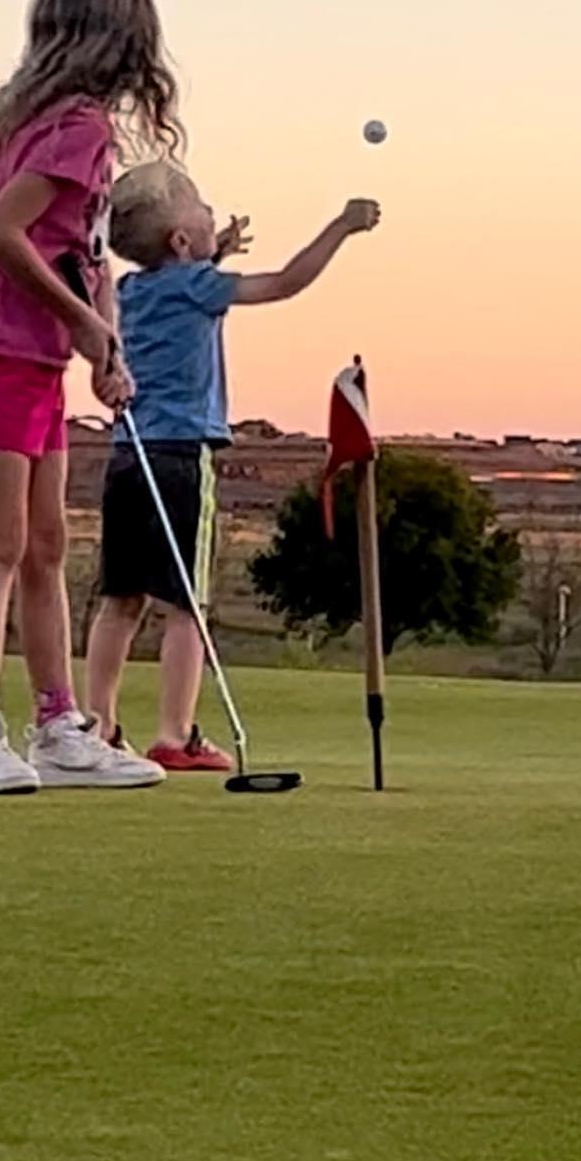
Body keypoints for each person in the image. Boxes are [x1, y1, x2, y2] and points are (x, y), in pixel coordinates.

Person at [0, 0, 183, 794]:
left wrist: (101, 339)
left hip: (32, 355)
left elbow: (80, 255)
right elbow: (1, 236)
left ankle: (58, 726)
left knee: (46, 544)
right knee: (0, 543)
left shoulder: (61, 123)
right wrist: (83, 322)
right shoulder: (75, 127)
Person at [85, 161, 380, 769]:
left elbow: (181, 282)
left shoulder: (133, 291)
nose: (212, 212)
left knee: (121, 599)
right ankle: (175, 732)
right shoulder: (200, 286)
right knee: (187, 605)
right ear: (181, 242)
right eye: (202, 209)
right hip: (184, 456)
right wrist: (340, 227)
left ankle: (98, 725)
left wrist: (210, 252)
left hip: (127, 456)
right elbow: (285, 282)